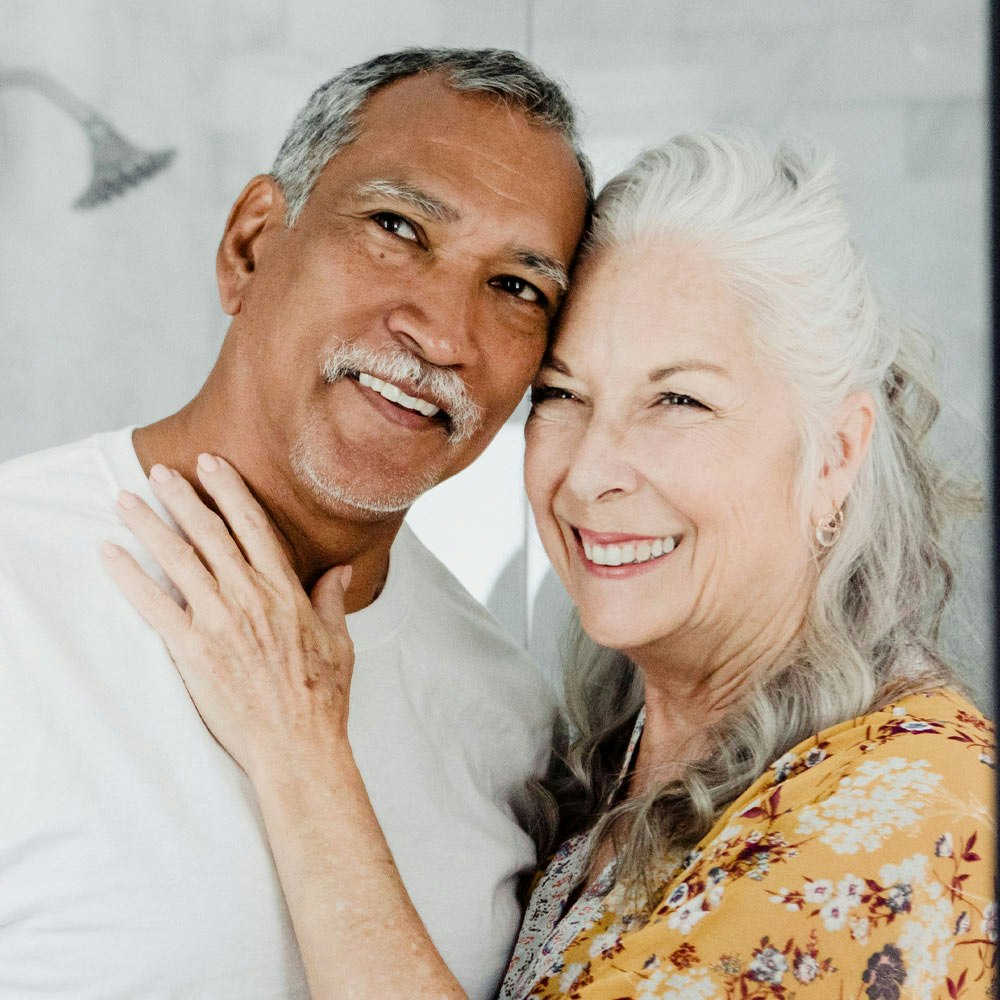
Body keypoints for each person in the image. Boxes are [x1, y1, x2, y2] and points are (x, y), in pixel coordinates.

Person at [107, 130, 996, 999]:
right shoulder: (588, 761)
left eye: (678, 399)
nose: (592, 473)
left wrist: (300, 752)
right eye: (563, 396)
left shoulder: (920, 811)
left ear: (836, 453)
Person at [0, 48, 591, 999]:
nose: (443, 332)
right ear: (252, 243)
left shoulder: (511, 721)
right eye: (398, 227)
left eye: (517, 287)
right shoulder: (14, 583)